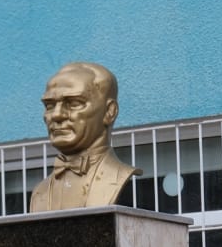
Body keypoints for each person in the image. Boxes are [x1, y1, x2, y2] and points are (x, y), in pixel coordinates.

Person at [29, 62, 142, 212]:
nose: (56, 115)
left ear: (110, 112)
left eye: (74, 103)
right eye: (50, 106)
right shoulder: (39, 193)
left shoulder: (122, 179)